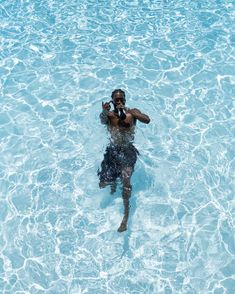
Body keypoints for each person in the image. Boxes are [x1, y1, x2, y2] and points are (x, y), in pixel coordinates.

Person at [98, 89, 150, 232]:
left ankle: (125, 218)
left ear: (125, 99)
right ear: (112, 101)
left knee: (126, 185)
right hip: (112, 152)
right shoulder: (108, 116)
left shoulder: (132, 113)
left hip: (127, 152)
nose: (119, 101)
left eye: (121, 99)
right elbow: (102, 120)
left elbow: (147, 120)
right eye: (116, 99)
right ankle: (114, 181)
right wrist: (104, 111)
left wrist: (135, 114)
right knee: (103, 184)